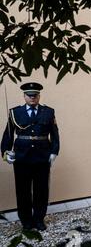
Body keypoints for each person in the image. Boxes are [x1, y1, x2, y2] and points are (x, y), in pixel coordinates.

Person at [1, 82, 59, 231]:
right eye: (29, 95)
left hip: (42, 156)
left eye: (35, 95)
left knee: (41, 189)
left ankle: (39, 219)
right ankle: (26, 221)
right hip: (22, 157)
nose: (32, 98)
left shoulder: (48, 112)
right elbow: (7, 135)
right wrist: (6, 152)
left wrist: (54, 151)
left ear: (39, 96)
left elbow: (54, 134)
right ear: (24, 96)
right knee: (22, 190)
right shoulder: (15, 113)